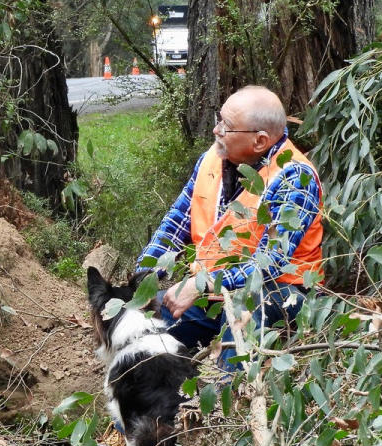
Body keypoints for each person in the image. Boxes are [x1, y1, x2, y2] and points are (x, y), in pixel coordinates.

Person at [135, 85, 322, 371]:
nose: (216, 130)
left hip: (281, 293)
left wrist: (199, 285)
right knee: (142, 332)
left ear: (260, 141)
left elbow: (270, 264)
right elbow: (176, 223)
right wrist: (143, 279)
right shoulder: (212, 158)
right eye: (218, 119)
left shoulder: (294, 177)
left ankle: (234, 397)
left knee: (243, 314)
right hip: (214, 289)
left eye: (227, 126)